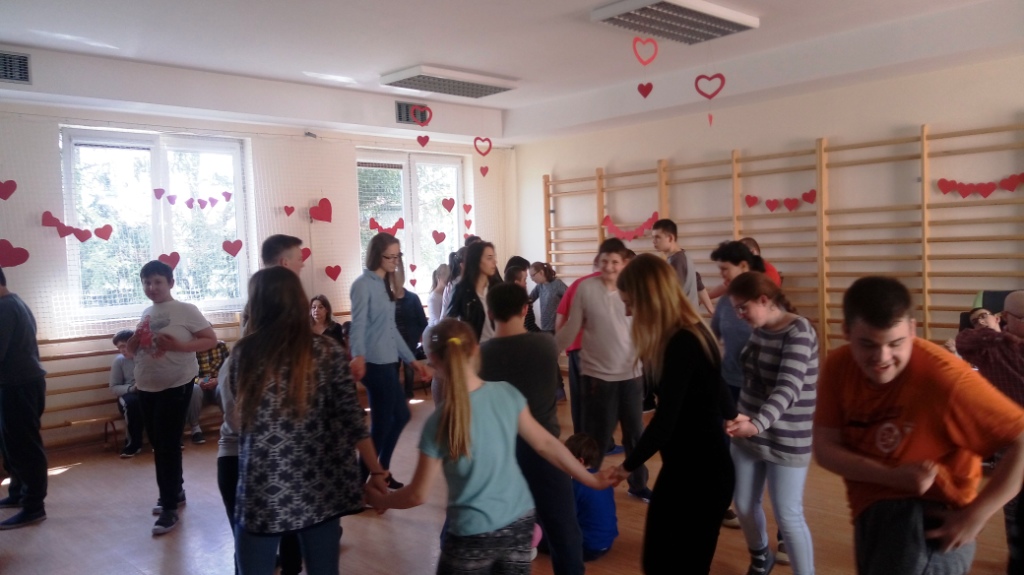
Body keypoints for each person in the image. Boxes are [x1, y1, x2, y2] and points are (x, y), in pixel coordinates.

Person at [364, 318, 610, 575]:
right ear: (476, 350)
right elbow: (547, 444)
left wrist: (381, 499)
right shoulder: (506, 393)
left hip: (472, 533)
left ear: (433, 360)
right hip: (519, 523)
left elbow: (418, 494)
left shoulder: (439, 421)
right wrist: (591, 479)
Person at [814, 276, 1024, 575]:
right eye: (868, 344)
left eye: (895, 343)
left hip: (929, 523)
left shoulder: (944, 377)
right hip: (870, 513)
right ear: (847, 332)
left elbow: (1021, 440)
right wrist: (891, 476)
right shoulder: (838, 366)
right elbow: (825, 448)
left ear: (912, 330)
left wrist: (976, 516)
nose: (882, 358)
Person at [230, 267, 389, 575]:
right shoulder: (328, 351)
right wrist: (377, 471)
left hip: (264, 484)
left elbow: (241, 413)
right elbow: (353, 419)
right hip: (321, 484)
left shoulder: (244, 352)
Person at [606, 253, 737, 573]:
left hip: (702, 476)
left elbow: (665, 423)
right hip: (687, 469)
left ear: (650, 299)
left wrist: (626, 468)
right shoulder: (688, 333)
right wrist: (732, 415)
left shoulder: (683, 341)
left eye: (630, 304)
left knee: (673, 565)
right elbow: (718, 386)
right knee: (660, 562)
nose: (628, 312)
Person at [479, 282, 586, 575]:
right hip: (545, 453)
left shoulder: (478, 356)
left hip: (498, 457)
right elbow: (573, 327)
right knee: (564, 530)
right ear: (526, 309)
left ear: (490, 313)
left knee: (495, 529)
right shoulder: (545, 345)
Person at [725, 271, 818, 575]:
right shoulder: (760, 326)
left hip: (787, 437)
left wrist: (756, 424)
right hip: (749, 433)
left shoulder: (799, 331)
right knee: (743, 504)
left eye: (743, 308)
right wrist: (739, 417)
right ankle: (760, 556)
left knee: (788, 516)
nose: (739, 315)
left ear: (764, 300)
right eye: (736, 309)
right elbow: (750, 379)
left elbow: (788, 388)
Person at [555, 238, 651, 502]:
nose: (609, 266)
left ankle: (638, 484)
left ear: (624, 263)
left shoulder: (635, 287)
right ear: (598, 262)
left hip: (632, 375)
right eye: (605, 261)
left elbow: (646, 326)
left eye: (615, 262)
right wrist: (549, 352)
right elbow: (572, 327)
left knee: (635, 435)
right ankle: (587, 484)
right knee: (597, 437)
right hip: (598, 377)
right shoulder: (585, 288)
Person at [127, 260, 217, 535]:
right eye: (146, 282)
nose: (151, 287)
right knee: (159, 443)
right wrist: (133, 342)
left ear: (170, 283)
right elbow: (133, 351)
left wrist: (180, 346)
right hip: (146, 385)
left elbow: (210, 339)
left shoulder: (186, 310)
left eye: (157, 281)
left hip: (176, 384)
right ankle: (175, 491)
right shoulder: (147, 312)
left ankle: (168, 508)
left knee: (166, 445)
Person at [350, 232, 430, 488]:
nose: (396, 261)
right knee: (383, 423)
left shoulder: (386, 285)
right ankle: (362, 482)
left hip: (388, 361)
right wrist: (358, 355)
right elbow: (357, 325)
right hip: (374, 363)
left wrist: (411, 360)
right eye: (390, 257)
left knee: (400, 416)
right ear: (377, 256)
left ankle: (380, 471)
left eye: (398, 256)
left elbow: (391, 329)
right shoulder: (363, 285)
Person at [955, 291, 1024, 572]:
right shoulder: (993, 347)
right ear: (1005, 317)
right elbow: (962, 341)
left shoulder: (997, 346)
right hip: (1011, 444)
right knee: (1014, 509)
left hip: (1013, 443)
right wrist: (994, 330)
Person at [0, 266, 49, 530]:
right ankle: (18, 493)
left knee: (25, 446)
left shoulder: (5, 308)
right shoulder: (12, 302)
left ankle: (33, 507)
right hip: (18, 384)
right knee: (12, 445)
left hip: (20, 385)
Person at [556, 255, 601, 434]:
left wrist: (561, 346)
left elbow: (560, 319)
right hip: (601, 350)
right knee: (601, 398)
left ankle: (580, 439)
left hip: (577, 348)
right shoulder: (615, 284)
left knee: (579, 397)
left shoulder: (578, 284)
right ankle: (603, 442)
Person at [564, 433, 618, 562]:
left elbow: (565, 520)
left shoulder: (575, 485)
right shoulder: (601, 479)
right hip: (606, 543)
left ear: (579, 461)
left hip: (586, 548)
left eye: (566, 458)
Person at [651, 218, 714, 314]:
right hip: (689, 317)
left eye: (657, 237)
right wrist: (711, 310)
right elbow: (698, 283)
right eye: (653, 237)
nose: (653, 241)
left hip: (682, 318)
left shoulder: (676, 261)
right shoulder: (684, 256)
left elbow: (672, 295)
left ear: (670, 238)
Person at [446, 240, 501, 343]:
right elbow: (449, 321)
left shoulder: (496, 287)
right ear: (476, 260)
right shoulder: (461, 289)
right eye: (489, 258)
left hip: (496, 345)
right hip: (474, 347)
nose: (495, 262)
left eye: (494, 257)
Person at [393, 255, 428, 398]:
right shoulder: (387, 299)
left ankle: (408, 394)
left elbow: (422, 322)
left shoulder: (413, 298)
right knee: (394, 369)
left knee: (409, 368)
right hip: (393, 343)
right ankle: (396, 394)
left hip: (410, 341)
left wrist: (419, 338)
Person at [185, 340, 229, 445]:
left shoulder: (221, 346)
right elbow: (186, 374)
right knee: (194, 389)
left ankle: (229, 425)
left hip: (217, 381)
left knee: (224, 387)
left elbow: (231, 369)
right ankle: (196, 429)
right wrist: (198, 381)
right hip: (200, 383)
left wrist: (218, 380)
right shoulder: (189, 350)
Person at [110, 329, 144, 458]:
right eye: (119, 348)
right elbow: (114, 387)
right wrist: (132, 388)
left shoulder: (146, 357)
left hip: (148, 390)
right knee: (132, 404)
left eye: (124, 346)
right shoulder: (119, 361)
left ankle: (164, 441)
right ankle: (133, 444)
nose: (122, 350)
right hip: (129, 394)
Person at [529, 262, 568, 333]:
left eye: (533, 275)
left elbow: (570, 296)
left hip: (557, 328)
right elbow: (529, 299)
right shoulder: (539, 286)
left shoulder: (557, 284)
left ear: (541, 272)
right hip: (545, 327)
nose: (532, 279)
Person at [504, 265, 540, 332]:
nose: (526, 283)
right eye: (524, 279)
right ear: (517, 283)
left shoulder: (501, 299)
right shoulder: (523, 301)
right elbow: (530, 326)